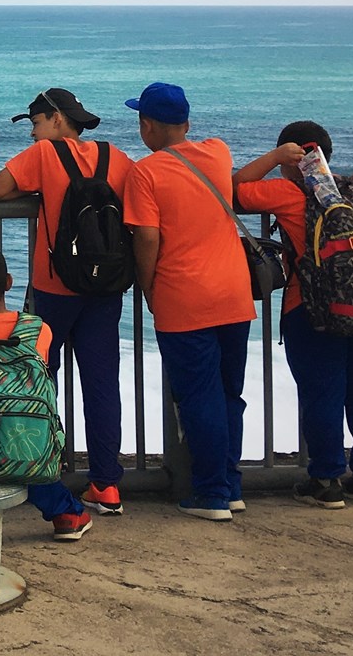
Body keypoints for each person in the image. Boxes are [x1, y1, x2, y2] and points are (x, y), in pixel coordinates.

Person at [234, 121, 353, 509]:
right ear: (327, 156)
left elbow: (233, 189)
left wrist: (273, 159)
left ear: (290, 159)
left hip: (310, 307)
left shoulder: (287, 191)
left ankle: (327, 479)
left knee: (322, 393)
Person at [0, 89, 134, 516]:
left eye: (34, 124)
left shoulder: (45, 156)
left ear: (55, 119)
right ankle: (106, 484)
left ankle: (40, 475)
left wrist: (38, 195)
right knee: (102, 384)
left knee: (38, 384)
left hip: (55, 288)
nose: (33, 134)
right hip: (105, 287)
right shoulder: (117, 158)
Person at [121, 82, 255, 522]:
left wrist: (148, 288)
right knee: (228, 393)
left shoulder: (146, 172)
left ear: (147, 126)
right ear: (187, 124)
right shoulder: (217, 151)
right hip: (234, 294)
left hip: (184, 297)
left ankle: (212, 493)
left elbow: (147, 237)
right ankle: (230, 485)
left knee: (198, 398)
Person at [0, 244, 94, 541]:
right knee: (20, 452)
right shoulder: (40, 331)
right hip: (33, 442)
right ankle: (68, 514)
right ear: (8, 282)